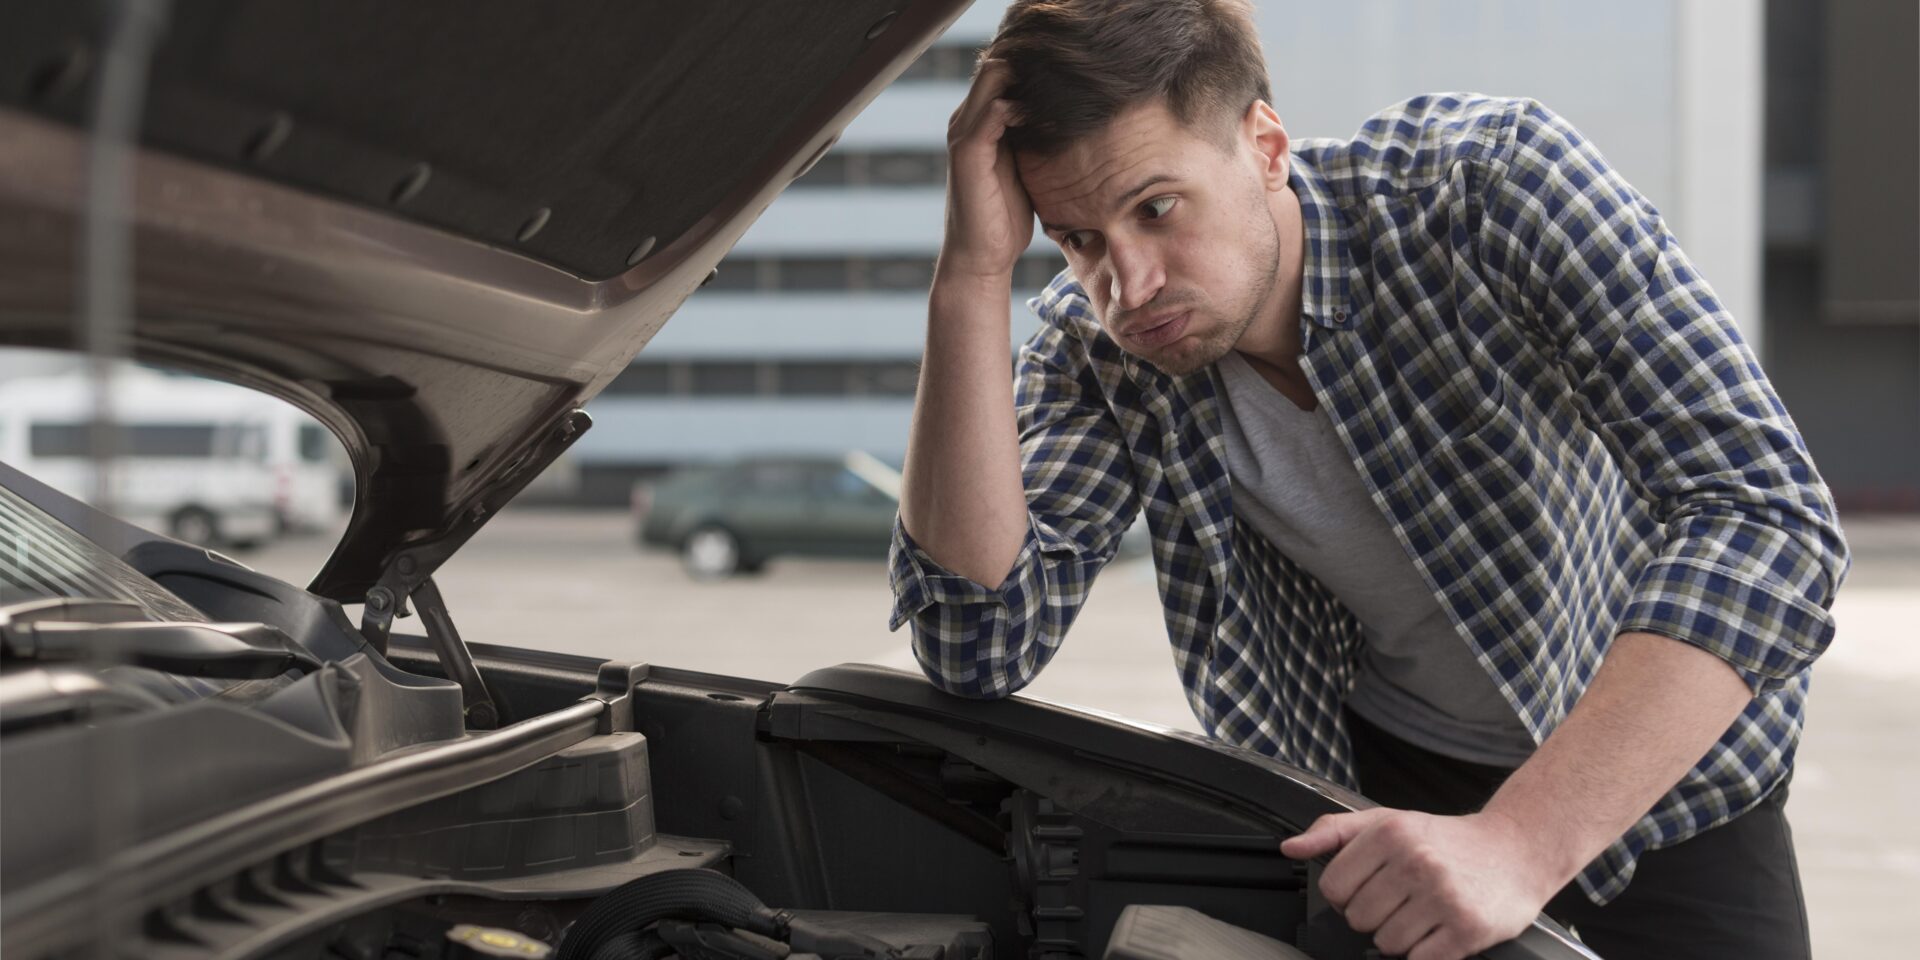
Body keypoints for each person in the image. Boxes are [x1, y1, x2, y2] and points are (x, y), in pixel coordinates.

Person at [885, 1, 1849, 958]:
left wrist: (1518, 844)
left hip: (1656, 778)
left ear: (1265, 147)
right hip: (1380, 793)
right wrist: (972, 275)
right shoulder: (1094, 351)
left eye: (1156, 208)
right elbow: (978, 642)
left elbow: (1767, 516)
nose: (1127, 288)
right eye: (1078, 239)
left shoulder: (1491, 188)